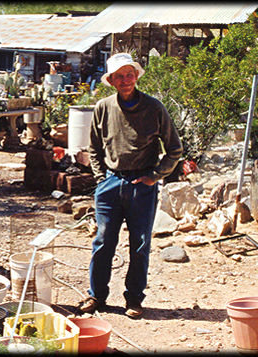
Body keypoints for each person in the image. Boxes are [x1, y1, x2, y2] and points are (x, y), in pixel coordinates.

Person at [80, 53, 183, 318]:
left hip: (142, 184)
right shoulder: (103, 107)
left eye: (129, 74)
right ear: (112, 81)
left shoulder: (154, 108)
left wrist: (156, 175)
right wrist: (100, 178)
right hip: (110, 183)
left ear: (136, 76)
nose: (125, 80)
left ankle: (134, 299)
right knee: (103, 241)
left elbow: (174, 149)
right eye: (119, 76)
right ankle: (96, 296)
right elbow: (93, 146)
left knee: (139, 244)